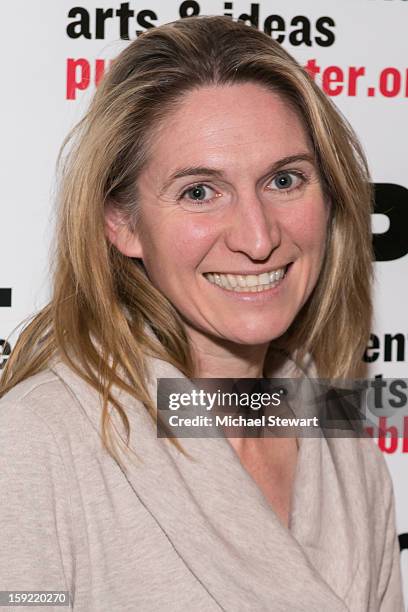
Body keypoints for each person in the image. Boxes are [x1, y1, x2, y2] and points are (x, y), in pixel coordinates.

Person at [0, 15, 403, 612]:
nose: (258, 236)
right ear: (123, 222)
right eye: (199, 192)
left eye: (285, 180)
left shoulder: (329, 422)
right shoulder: (35, 442)